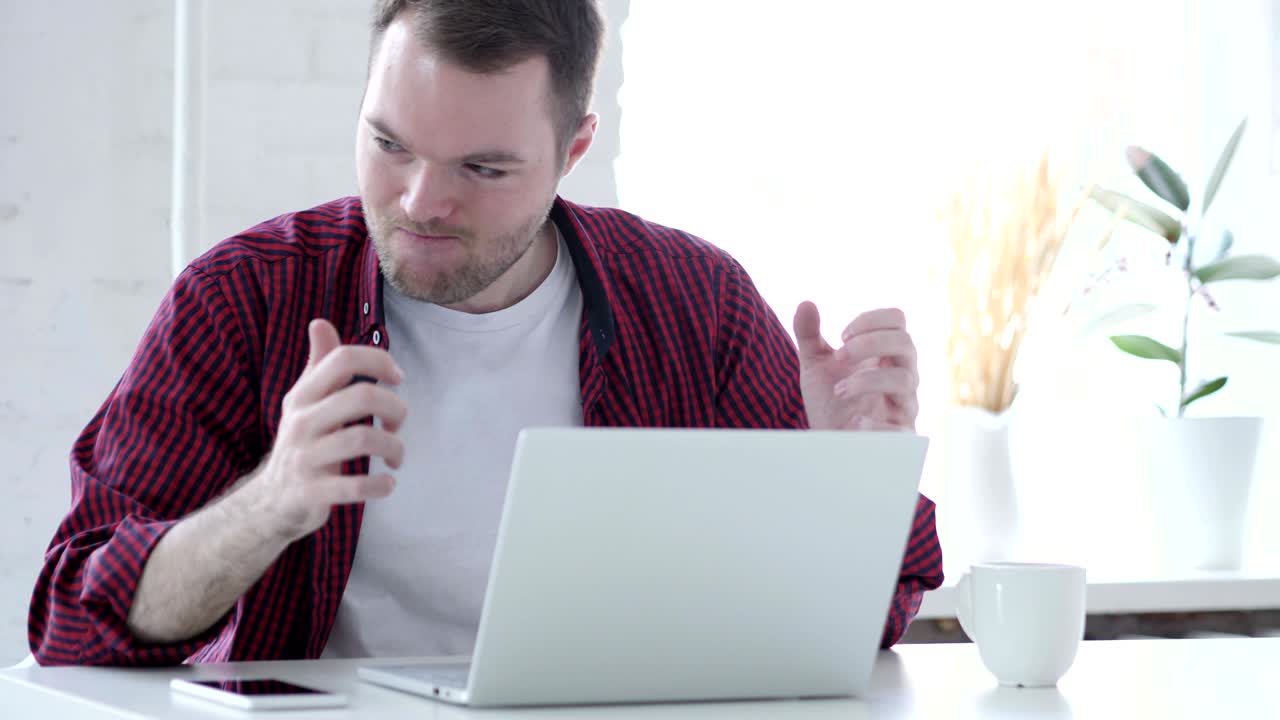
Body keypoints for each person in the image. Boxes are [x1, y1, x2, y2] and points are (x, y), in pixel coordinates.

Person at [28, 0, 942, 666]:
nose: (423, 202)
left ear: (573, 151)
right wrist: (274, 501)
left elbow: (856, 624)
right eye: (390, 146)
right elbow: (71, 615)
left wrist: (851, 476)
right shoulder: (245, 299)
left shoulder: (694, 303)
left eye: (483, 166)